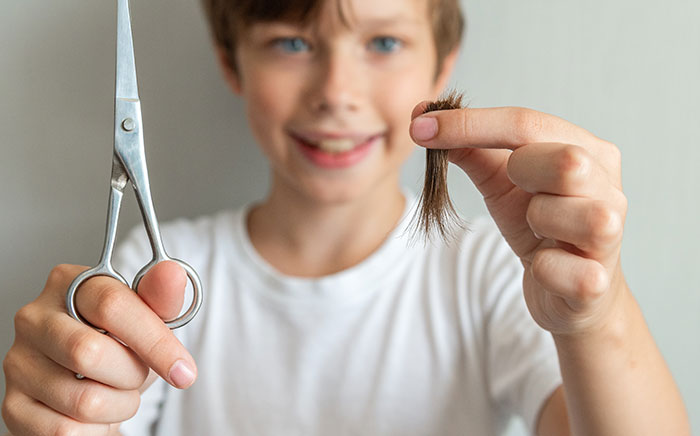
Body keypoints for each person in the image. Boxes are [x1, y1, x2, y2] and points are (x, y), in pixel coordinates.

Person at [1, 0, 691, 434]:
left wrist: (597, 319)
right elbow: (89, 415)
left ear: (442, 61)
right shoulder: (160, 276)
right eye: (292, 43)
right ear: (230, 62)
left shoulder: (489, 275)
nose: (336, 93)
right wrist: (62, 420)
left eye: (383, 43)